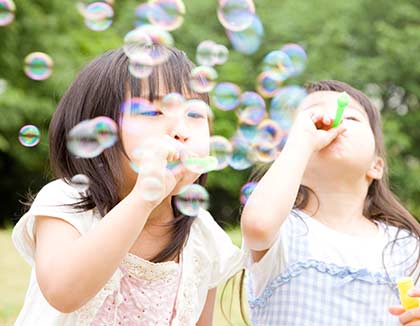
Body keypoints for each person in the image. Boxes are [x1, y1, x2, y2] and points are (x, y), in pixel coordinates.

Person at [12, 45, 245, 325]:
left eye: (194, 115)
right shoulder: (67, 203)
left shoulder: (203, 236)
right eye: (153, 112)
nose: (181, 132)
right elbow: (63, 292)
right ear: (99, 133)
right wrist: (143, 198)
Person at [241, 80, 420, 325]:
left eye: (352, 118)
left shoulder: (405, 248)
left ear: (376, 166)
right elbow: (257, 226)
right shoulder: (283, 228)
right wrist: (301, 142)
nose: (330, 119)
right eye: (310, 116)